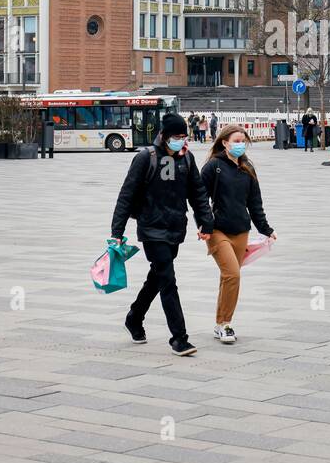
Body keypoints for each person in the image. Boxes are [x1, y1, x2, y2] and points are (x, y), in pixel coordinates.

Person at [110, 113, 214, 356]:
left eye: (183, 136)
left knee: (157, 278)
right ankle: (179, 338)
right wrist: (117, 231)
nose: (181, 140)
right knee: (168, 280)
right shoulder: (146, 157)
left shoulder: (187, 158)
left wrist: (206, 223)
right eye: (176, 136)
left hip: (176, 228)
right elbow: (126, 195)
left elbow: (198, 193)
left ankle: (134, 317)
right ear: (164, 135)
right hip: (151, 229)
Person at [201, 126, 277, 344]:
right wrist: (204, 225)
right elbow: (199, 198)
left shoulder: (247, 167)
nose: (240, 144)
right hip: (217, 230)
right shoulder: (213, 166)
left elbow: (255, 203)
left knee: (228, 277)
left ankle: (219, 324)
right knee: (233, 274)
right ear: (225, 142)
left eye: (243, 141)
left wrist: (266, 229)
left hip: (241, 231)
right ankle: (225, 323)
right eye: (236, 140)